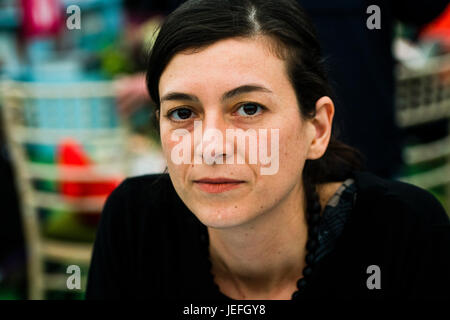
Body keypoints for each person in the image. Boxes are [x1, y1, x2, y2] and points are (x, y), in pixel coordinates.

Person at [86, 0, 450, 300]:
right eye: (183, 113)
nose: (211, 148)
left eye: (249, 109)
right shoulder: (134, 224)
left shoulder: (403, 233)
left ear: (317, 128)